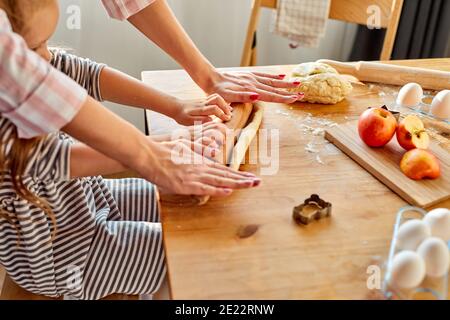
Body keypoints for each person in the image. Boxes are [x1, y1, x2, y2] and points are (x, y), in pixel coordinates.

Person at [0, 0, 266, 299]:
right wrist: (164, 146)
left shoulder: (31, 61)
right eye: (36, 49)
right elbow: (45, 161)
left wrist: (176, 107)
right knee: (190, 259)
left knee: (195, 208)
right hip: (61, 255)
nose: (47, 57)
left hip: (88, 202)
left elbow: (81, 73)